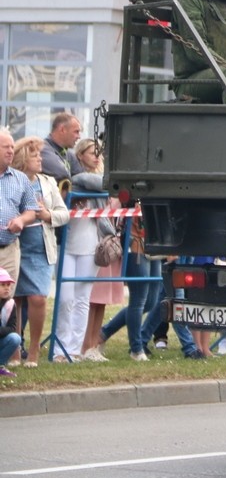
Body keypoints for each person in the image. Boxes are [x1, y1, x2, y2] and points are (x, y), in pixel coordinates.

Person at [10, 136, 67, 367]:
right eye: (35, 156)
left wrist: (47, 215)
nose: (40, 159)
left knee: (38, 298)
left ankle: (33, 352)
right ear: (23, 159)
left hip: (41, 251)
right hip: (15, 248)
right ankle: (14, 350)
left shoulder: (48, 183)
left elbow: (64, 214)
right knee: (13, 301)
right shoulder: (11, 180)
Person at [76, 139, 119, 360]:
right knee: (91, 298)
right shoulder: (84, 179)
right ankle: (85, 345)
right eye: (92, 152)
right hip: (96, 241)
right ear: (81, 154)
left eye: (98, 153)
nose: (96, 157)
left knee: (102, 300)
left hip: (107, 241)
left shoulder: (105, 179)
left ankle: (94, 345)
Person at [0, 127, 38, 289]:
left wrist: (21, 220)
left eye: (12, 147)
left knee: (6, 299)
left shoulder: (20, 179)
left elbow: (31, 210)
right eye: (5, 147)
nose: (10, 151)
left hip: (9, 249)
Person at [39, 112, 82, 188]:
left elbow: (81, 176)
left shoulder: (69, 154)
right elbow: (61, 174)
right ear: (62, 130)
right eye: (76, 132)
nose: (79, 137)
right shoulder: (43, 149)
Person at [0, 267, 19, 378]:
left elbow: (12, 327)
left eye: (8, 285)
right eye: (3, 285)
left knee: (15, 338)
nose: (7, 288)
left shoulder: (10, 304)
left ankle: (0, 365)